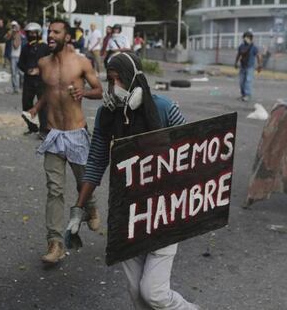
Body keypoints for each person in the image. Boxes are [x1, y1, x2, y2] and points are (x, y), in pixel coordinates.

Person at [66, 52, 200, 310]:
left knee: (154, 293)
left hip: (164, 211)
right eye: (110, 80)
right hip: (127, 212)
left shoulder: (164, 109)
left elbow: (192, 151)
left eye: (119, 80)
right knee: (137, 295)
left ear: (134, 79)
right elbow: (95, 162)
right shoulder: (108, 115)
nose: (114, 88)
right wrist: (78, 209)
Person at [28, 19, 102, 264]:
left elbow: (99, 90)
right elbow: (50, 92)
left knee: (84, 182)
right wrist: (35, 108)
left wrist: (85, 93)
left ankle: (89, 205)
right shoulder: (43, 63)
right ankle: (56, 243)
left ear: (67, 37)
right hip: (53, 134)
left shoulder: (82, 62)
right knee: (54, 189)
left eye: (55, 32)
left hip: (77, 133)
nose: (50, 35)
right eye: (49, 31)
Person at [18, 22, 50, 135]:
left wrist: (40, 70)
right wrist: (27, 70)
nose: (31, 35)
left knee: (43, 105)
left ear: (38, 33)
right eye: (29, 33)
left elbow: (51, 64)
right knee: (26, 103)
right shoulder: (26, 47)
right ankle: (32, 127)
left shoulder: (45, 47)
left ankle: (44, 130)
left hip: (42, 81)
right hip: (28, 81)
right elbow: (20, 64)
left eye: (33, 32)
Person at [234, 31, 262, 102]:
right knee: (241, 81)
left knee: (248, 81)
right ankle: (243, 94)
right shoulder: (241, 46)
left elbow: (258, 56)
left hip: (250, 67)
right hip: (242, 66)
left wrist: (259, 65)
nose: (245, 39)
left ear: (250, 38)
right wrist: (236, 63)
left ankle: (247, 95)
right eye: (245, 37)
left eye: (247, 38)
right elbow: (239, 54)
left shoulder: (254, 47)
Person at [7, 20, 22, 94]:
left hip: (18, 56)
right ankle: (15, 88)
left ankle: (20, 86)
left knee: (20, 72)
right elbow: (6, 38)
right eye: (12, 26)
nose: (13, 28)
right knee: (13, 73)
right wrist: (11, 33)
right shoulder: (11, 34)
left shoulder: (19, 35)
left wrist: (14, 37)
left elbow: (16, 46)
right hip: (12, 56)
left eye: (14, 26)